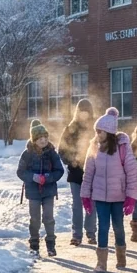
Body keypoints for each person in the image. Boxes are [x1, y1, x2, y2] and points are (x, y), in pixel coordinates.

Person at [79, 108, 137, 272]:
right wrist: (85, 196)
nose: (97, 134)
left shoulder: (123, 147)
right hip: (100, 196)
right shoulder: (94, 147)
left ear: (109, 132)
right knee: (103, 227)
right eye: (96, 131)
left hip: (118, 196)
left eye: (100, 131)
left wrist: (131, 197)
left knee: (118, 227)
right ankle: (101, 262)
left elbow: (132, 173)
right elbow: (88, 173)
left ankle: (121, 257)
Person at [17, 121, 64, 257]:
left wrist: (48, 177)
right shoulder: (27, 154)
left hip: (48, 191)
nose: (43, 140)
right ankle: (34, 243)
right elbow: (20, 172)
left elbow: (59, 170)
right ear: (34, 140)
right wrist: (33, 177)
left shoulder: (52, 153)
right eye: (39, 138)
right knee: (35, 219)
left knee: (49, 218)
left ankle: (51, 244)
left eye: (45, 137)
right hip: (33, 192)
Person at [57, 99, 96, 246]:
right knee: (77, 204)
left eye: (87, 111)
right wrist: (71, 161)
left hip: (93, 173)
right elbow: (62, 150)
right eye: (81, 111)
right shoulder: (70, 129)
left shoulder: (95, 128)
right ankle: (76, 234)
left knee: (91, 204)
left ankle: (91, 232)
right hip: (75, 173)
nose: (84, 114)